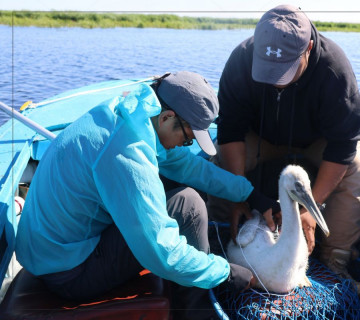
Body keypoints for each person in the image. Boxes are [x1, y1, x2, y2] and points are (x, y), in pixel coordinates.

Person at [15, 71, 279, 319]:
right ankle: (198, 312)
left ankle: (196, 287)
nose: (185, 146)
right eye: (188, 139)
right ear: (167, 118)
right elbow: (162, 254)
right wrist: (225, 273)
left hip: (49, 252)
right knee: (188, 205)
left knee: (183, 192)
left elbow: (186, 165)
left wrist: (250, 193)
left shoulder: (132, 113)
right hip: (68, 273)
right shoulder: (127, 153)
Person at [209, 5, 360, 298]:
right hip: (262, 138)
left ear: (308, 48)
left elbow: (343, 144)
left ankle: (335, 259)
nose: (274, 80)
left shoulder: (335, 70)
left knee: (358, 164)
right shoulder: (240, 59)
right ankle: (223, 235)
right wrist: (237, 194)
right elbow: (230, 130)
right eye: (267, 71)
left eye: (284, 71)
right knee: (220, 160)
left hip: (317, 143)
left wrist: (312, 210)